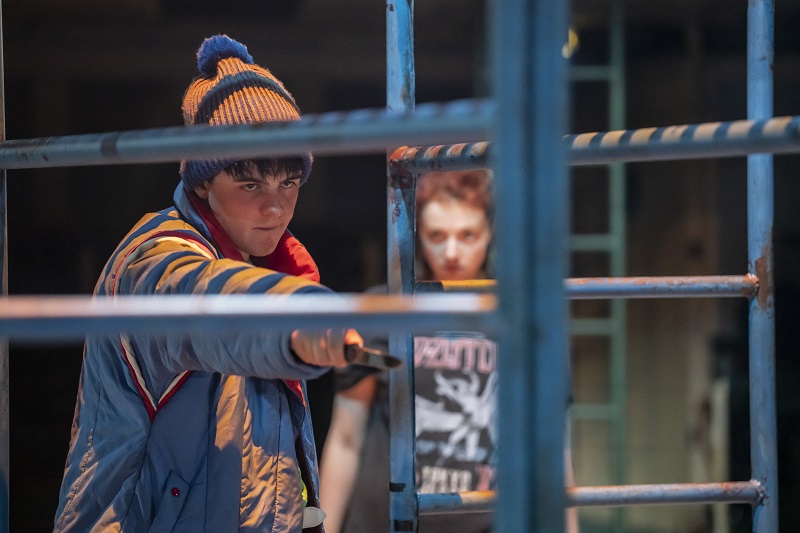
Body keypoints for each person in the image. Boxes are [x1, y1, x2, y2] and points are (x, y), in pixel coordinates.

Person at [53, 34, 362, 532]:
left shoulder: (266, 264)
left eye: (288, 183)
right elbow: (204, 295)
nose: (275, 207)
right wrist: (293, 324)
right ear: (201, 182)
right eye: (249, 184)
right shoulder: (154, 259)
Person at [319, 169, 498, 533]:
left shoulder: (517, 316)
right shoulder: (385, 310)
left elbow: (554, 445)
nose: (451, 252)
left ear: (489, 232)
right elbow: (345, 439)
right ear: (418, 235)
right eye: (437, 236)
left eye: (467, 235)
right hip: (386, 521)